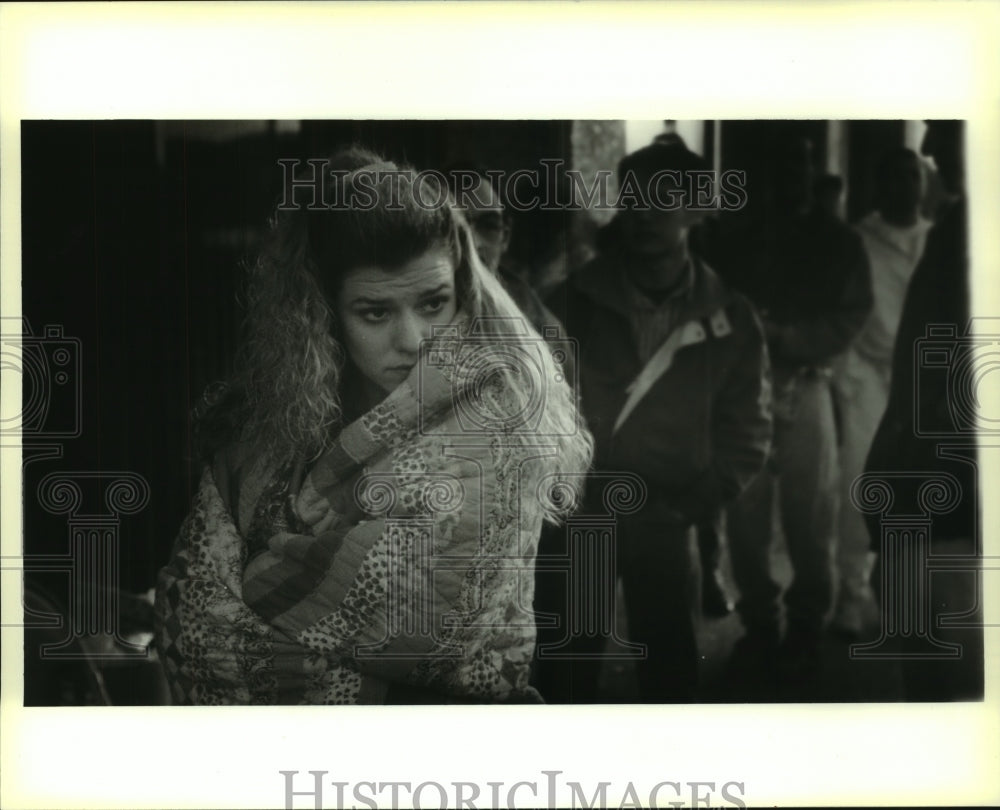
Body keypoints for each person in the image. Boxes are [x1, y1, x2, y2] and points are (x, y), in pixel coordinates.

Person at [154, 147, 593, 705]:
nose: (414, 340)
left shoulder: (499, 429)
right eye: (376, 313)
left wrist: (249, 591)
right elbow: (185, 611)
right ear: (321, 315)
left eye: (434, 303)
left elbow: (422, 638)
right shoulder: (275, 424)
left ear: (464, 292)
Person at [544, 140, 772, 702]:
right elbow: (538, 414)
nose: (644, 212)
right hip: (582, 515)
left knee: (671, 674)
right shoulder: (571, 303)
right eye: (634, 197)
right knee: (560, 672)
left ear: (698, 209)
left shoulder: (728, 316)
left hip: (669, 519)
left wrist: (696, 503)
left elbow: (748, 431)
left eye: (665, 197)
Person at [720, 136, 872, 688]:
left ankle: (806, 631)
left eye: (797, 164)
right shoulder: (734, 239)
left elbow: (851, 313)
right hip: (742, 392)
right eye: (777, 165)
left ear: (811, 170)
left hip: (808, 383)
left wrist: (790, 337)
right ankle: (760, 626)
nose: (788, 177)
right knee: (745, 517)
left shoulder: (837, 241)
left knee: (812, 517)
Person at [864, 121, 982, 700]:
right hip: (931, 502)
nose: (932, 149)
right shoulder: (959, 227)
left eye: (947, 128)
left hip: (960, 515)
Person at [830, 148, 931, 638]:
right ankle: (853, 590)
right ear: (880, 185)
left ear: (924, 182)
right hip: (867, 374)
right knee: (861, 481)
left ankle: (912, 596)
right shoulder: (858, 240)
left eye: (913, 175)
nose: (906, 185)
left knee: (926, 489)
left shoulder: (940, 238)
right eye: (895, 176)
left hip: (926, 380)